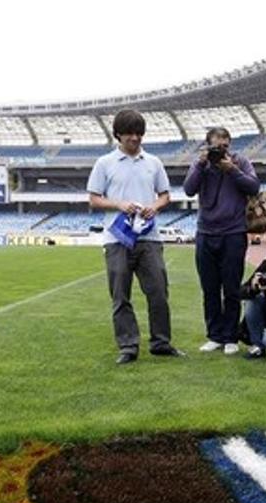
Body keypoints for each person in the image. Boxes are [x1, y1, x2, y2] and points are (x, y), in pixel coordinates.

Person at [88, 109, 182, 365]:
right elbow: (94, 199)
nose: (135, 138)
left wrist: (156, 205)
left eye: (139, 133)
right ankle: (128, 346)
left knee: (159, 293)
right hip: (117, 238)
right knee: (120, 295)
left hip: (149, 237)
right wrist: (118, 204)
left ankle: (161, 342)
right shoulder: (104, 163)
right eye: (130, 134)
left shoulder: (153, 163)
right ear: (118, 134)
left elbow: (165, 194)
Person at [183, 126, 261, 356]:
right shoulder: (201, 164)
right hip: (205, 232)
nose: (222, 150)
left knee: (231, 288)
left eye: (225, 146)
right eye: (217, 146)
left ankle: (230, 337)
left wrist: (232, 170)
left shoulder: (241, 162)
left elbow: (254, 187)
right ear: (208, 145)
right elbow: (189, 189)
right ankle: (214, 335)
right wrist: (201, 163)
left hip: (233, 233)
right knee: (209, 288)